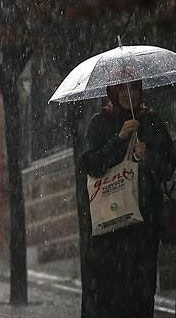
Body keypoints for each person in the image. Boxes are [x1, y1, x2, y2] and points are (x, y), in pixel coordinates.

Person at [80, 80, 176, 318]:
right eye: (121, 88)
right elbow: (91, 164)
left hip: (143, 230)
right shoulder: (100, 123)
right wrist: (119, 139)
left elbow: (168, 167)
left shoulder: (150, 121)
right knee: (109, 300)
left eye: (133, 88)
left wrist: (148, 156)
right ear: (112, 91)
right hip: (109, 231)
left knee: (141, 298)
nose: (128, 94)